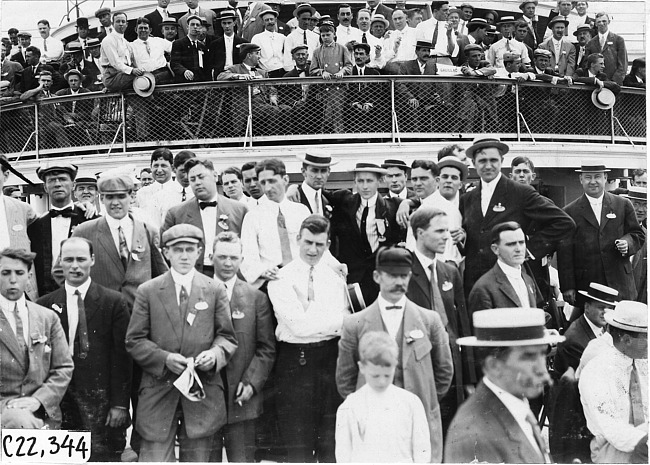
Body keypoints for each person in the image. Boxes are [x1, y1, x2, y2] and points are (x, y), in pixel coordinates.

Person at [125, 224, 237, 461]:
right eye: (177, 250)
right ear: (166, 253)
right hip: (158, 390)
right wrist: (164, 358)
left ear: (199, 252)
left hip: (202, 391)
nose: (184, 256)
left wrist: (215, 355)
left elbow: (227, 336)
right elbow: (134, 340)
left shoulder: (214, 289)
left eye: (190, 249)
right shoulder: (148, 291)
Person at [336, 245, 453, 461]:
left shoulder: (430, 320)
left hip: (418, 430)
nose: (399, 282)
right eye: (391, 276)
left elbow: (444, 371)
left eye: (404, 276)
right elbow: (345, 379)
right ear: (376, 276)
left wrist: (423, 400)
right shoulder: (355, 324)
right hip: (372, 431)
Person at [37, 237, 131, 461]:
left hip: (101, 403)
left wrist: (120, 404)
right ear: (60, 262)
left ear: (93, 260)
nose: (75, 266)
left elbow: (123, 359)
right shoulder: (44, 305)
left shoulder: (114, 302)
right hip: (60, 401)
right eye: (68, 260)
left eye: (81, 259)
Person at [267, 215, 350, 462]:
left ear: (327, 245)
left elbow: (345, 320)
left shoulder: (335, 276)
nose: (313, 250)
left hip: (330, 359)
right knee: (297, 443)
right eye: (308, 243)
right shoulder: (281, 278)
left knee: (330, 441)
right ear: (298, 240)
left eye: (320, 244)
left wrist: (310, 312)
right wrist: (331, 321)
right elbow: (299, 327)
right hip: (295, 363)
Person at [460, 136, 575, 297]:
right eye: (482, 160)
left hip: (510, 285)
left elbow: (564, 223)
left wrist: (529, 249)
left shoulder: (520, 193)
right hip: (474, 287)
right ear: (473, 163)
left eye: (493, 160)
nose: (488, 166)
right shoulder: (467, 199)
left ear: (501, 161)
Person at [444, 307, 563, 463]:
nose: (543, 371)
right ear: (494, 366)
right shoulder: (474, 435)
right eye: (529, 357)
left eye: (542, 354)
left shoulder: (515, 402)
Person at [209, 231, 275, 462]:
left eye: (234, 258)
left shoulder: (256, 298)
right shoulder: (199, 292)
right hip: (206, 401)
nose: (228, 263)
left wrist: (251, 384)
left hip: (242, 398)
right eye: (222, 257)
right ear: (211, 257)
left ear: (242, 260)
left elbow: (266, 348)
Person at [407, 207, 473, 433]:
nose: (447, 236)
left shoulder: (450, 272)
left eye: (447, 230)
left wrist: (469, 378)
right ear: (420, 233)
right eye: (439, 231)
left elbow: (462, 327)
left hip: (452, 370)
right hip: (419, 369)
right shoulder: (402, 272)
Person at [0, 248, 73, 429]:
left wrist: (38, 400)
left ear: (29, 276)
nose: (13, 280)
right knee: (20, 421)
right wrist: (10, 407)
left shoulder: (47, 317)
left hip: (43, 413)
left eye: (19, 273)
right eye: (5, 273)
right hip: (5, 411)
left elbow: (63, 367)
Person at [72, 169, 167, 307]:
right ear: (102, 198)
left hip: (140, 312)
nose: (115, 202)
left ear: (131, 196)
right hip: (102, 312)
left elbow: (161, 273)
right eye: (110, 197)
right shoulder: (84, 231)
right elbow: (63, 271)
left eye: (121, 196)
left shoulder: (148, 231)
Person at [558, 163, 644, 311]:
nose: (593, 181)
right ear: (580, 179)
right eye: (588, 177)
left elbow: (637, 234)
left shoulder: (623, 205)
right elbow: (564, 253)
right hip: (587, 286)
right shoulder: (569, 212)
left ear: (605, 178)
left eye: (597, 177)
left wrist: (627, 243)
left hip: (620, 284)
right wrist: (567, 286)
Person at [335, 331, 431, 463]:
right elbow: (343, 453)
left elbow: (422, 449)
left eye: (387, 375)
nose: (381, 381)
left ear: (395, 365)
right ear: (362, 367)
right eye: (375, 375)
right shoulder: (351, 406)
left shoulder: (410, 402)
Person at [579, 300, 648, 463]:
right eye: (647, 338)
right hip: (613, 451)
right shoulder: (597, 371)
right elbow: (615, 431)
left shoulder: (643, 362)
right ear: (626, 339)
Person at [329, 163, 405, 303]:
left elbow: (421, 202)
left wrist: (407, 203)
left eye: (369, 181)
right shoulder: (345, 201)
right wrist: (293, 188)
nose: (365, 186)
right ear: (355, 182)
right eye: (360, 181)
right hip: (353, 278)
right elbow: (318, 193)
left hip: (381, 277)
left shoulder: (394, 206)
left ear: (379, 181)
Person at [162, 158, 248, 276]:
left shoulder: (240, 210)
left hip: (230, 275)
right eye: (192, 179)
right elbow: (164, 251)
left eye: (201, 177)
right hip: (192, 277)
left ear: (215, 176)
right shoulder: (176, 214)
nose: (197, 182)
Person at [28, 162, 98, 296]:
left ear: (72, 185)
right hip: (47, 296)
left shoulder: (90, 219)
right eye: (52, 180)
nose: (57, 184)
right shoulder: (35, 225)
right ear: (45, 187)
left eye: (63, 179)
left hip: (84, 292)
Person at [468, 222, 540, 314]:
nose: (518, 249)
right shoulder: (483, 288)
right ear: (495, 249)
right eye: (511, 244)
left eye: (521, 242)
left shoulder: (528, 280)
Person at [217, 43, 287, 135]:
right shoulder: (235, 68)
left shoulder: (262, 72)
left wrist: (273, 96)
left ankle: (286, 140)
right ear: (249, 55)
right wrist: (238, 76)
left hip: (264, 104)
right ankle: (272, 141)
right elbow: (220, 77)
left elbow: (271, 88)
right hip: (247, 107)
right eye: (257, 53)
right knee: (273, 111)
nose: (259, 57)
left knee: (286, 109)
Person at [100, 11, 145, 92]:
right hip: (112, 77)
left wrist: (139, 70)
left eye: (123, 21)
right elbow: (115, 63)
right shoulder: (108, 40)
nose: (121, 24)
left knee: (145, 75)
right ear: (113, 23)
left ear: (126, 24)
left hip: (123, 75)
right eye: (118, 21)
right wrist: (132, 70)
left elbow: (133, 61)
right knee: (140, 78)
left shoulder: (126, 42)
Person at [150, 150, 197, 227]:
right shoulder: (159, 197)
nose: (186, 176)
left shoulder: (200, 195)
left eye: (190, 171)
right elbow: (155, 228)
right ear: (174, 169)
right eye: (182, 171)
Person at [584, 12, 627, 85]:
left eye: (604, 21)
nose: (601, 23)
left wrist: (614, 82)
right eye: (599, 22)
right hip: (595, 84)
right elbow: (587, 64)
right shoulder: (590, 43)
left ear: (609, 22)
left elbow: (623, 65)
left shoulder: (618, 40)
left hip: (613, 83)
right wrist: (592, 80)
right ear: (596, 24)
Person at [131, 17, 173, 84]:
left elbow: (176, 48)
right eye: (141, 28)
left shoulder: (158, 41)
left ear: (150, 30)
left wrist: (172, 62)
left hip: (163, 74)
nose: (143, 30)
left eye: (146, 28)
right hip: (146, 77)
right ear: (136, 30)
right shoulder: (131, 46)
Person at [622, 186, 647, 303]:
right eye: (636, 204)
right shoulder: (615, 232)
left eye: (645, 205)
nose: (641, 209)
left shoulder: (647, 237)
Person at [136, 148, 176, 216]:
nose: (159, 170)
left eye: (164, 166)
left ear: (172, 167)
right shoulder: (141, 194)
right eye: (156, 166)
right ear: (151, 167)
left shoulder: (179, 191)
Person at [295, 150, 336, 216]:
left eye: (323, 171)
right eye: (314, 170)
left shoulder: (331, 199)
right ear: (303, 171)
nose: (319, 176)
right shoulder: (294, 198)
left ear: (328, 172)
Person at [172, 14, 211, 83]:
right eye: (192, 24)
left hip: (200, 82)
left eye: (197, 25)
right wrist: (184, 71)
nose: (195, 27)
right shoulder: (179, 44)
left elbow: (206, 67)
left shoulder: (202, 47)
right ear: (187, 27)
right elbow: (175, 63)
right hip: (184, 82)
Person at [415, 1, 456, 66]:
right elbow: (417, 49)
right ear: (435, 11)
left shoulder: (449, 26)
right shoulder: (422, 26)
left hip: (445, 61)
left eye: (448, 10)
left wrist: (449, 35)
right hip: (427, 61)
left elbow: (452, 51)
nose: (448, 13)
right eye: (445, 10)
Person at [209, 9, 246, 78]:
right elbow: (210, 64)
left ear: (234, 23)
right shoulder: (214, 44)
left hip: (239, 76)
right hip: (221, 77)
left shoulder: (243, 43)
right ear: (221, 24)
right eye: (224, 23)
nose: (227, 26)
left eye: (229, 23)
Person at [251, 9, 286, 78]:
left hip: (283, 72)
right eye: (267, 20)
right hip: (267, 74)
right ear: (263, 23)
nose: (270, 22)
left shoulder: (282, 37)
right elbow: (253, 59)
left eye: (271, 19)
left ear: (275, 20)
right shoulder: (257, 38)